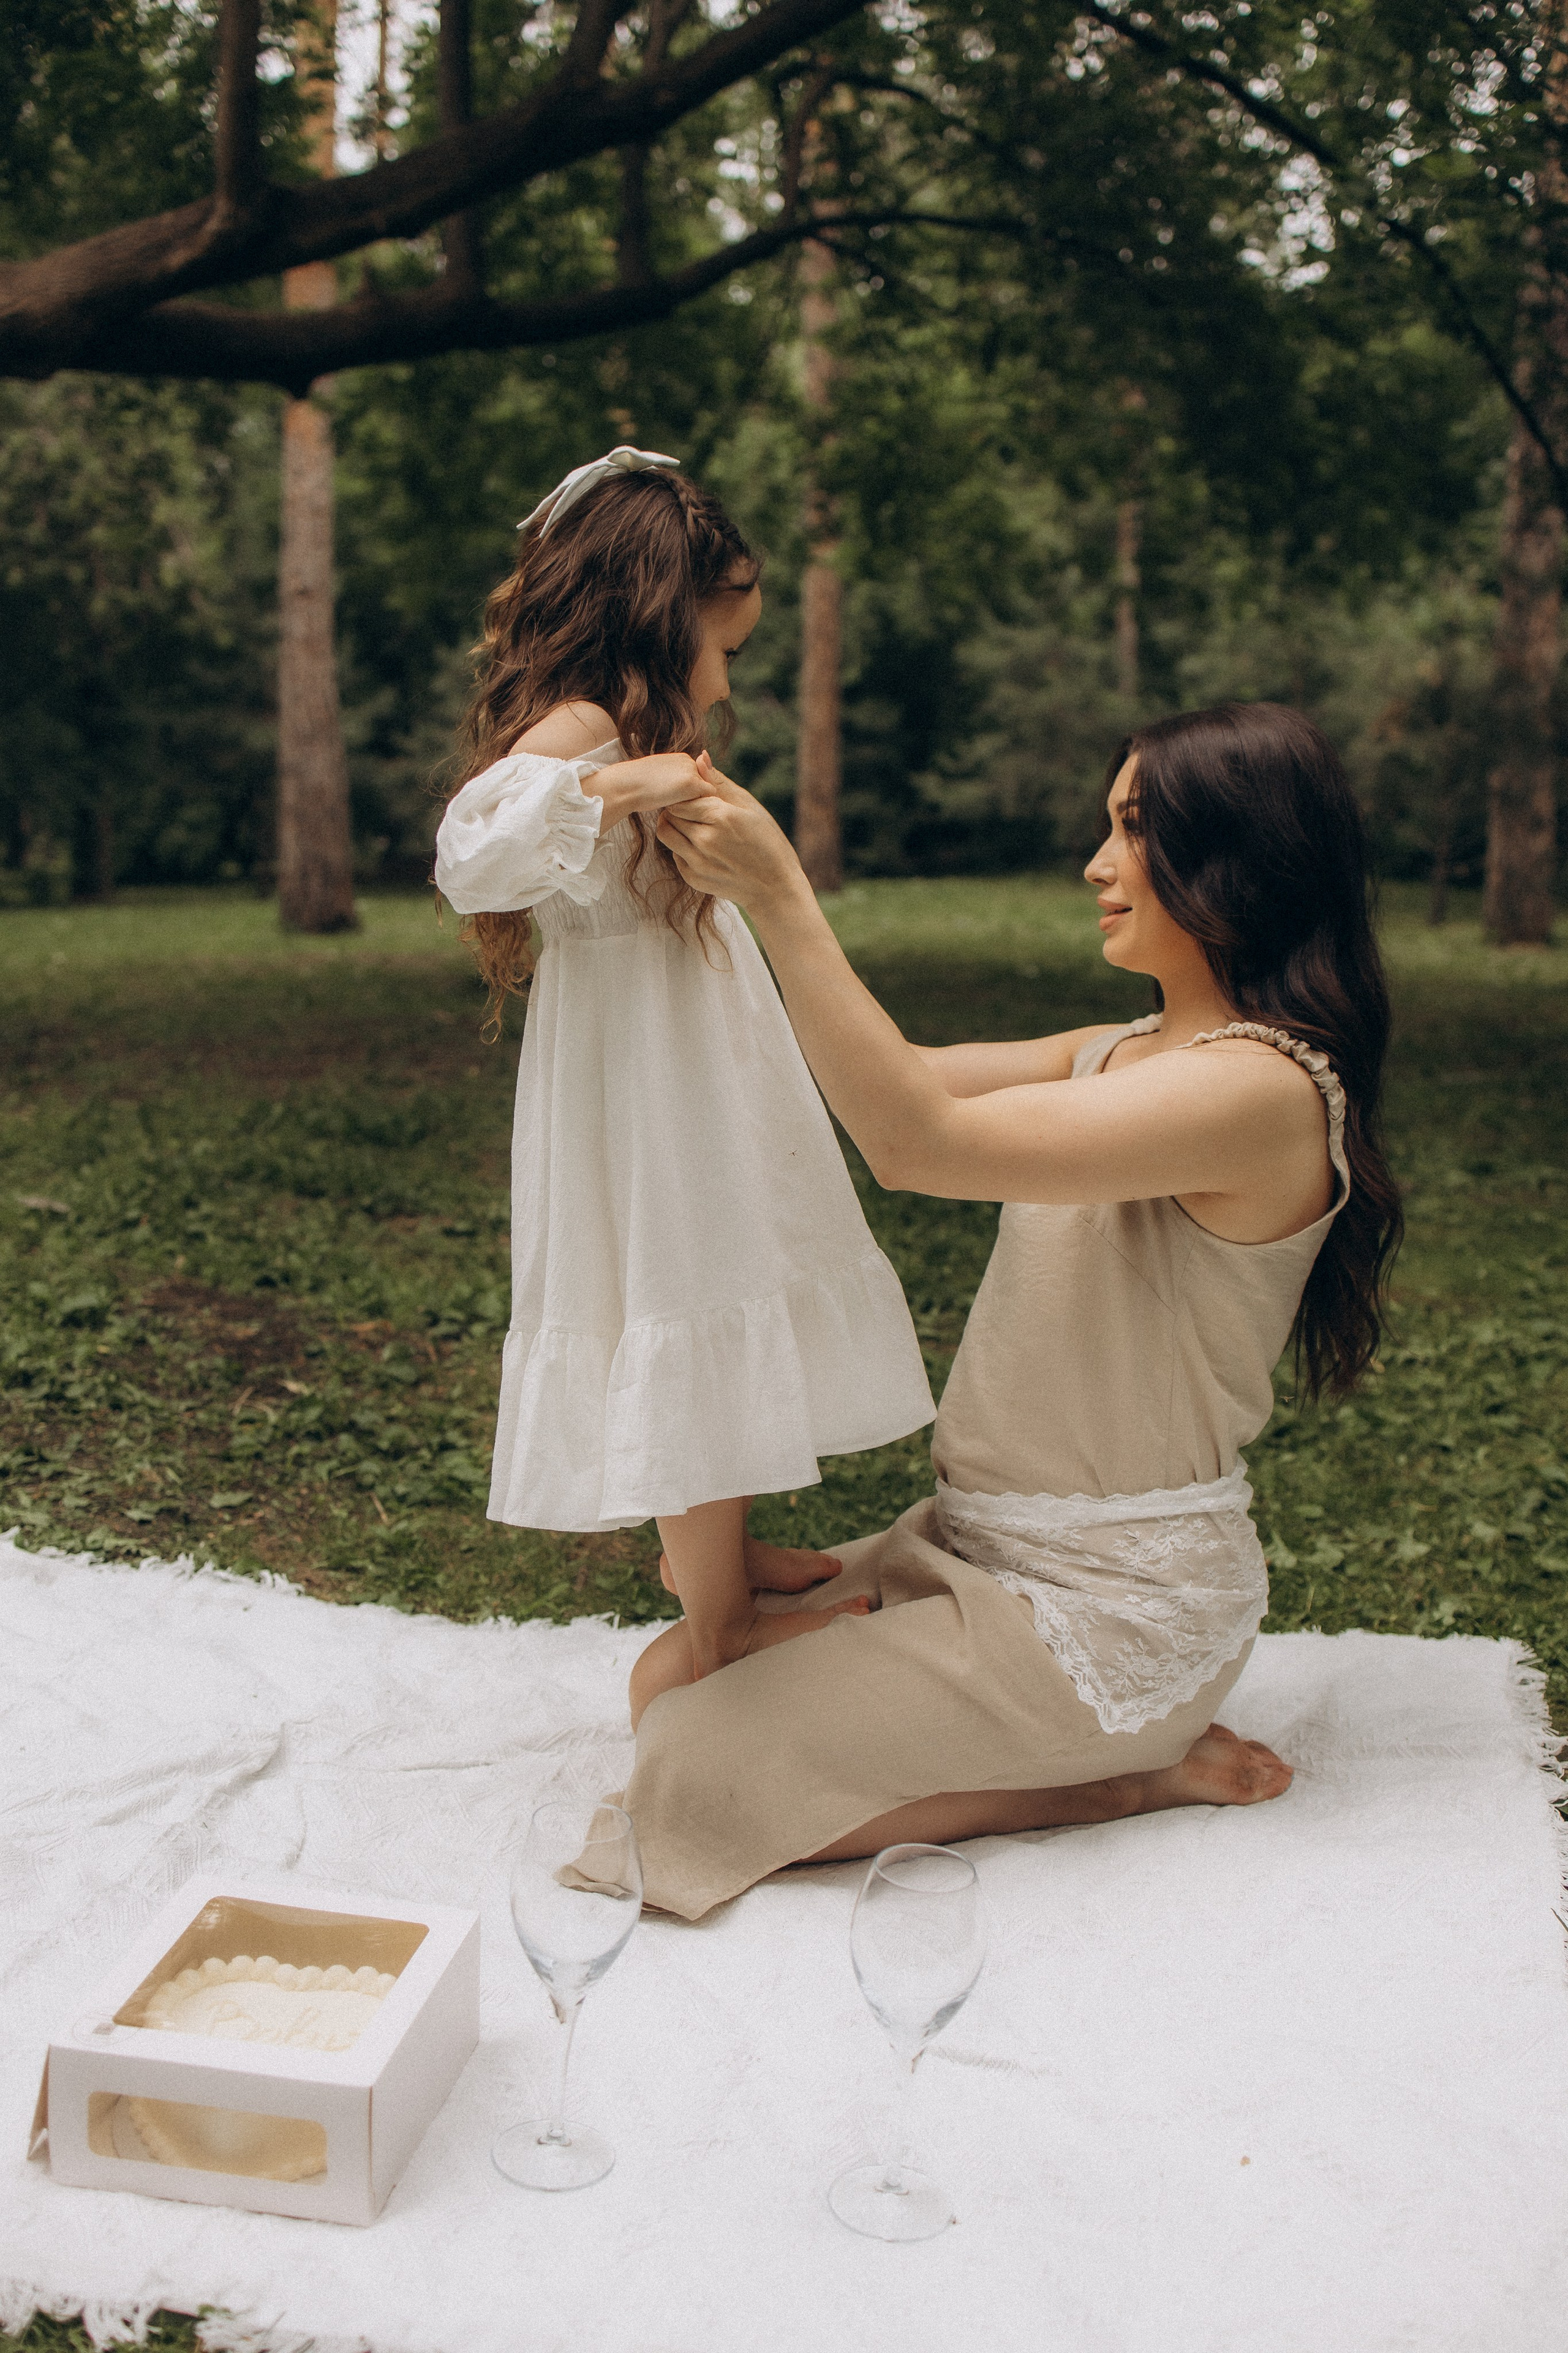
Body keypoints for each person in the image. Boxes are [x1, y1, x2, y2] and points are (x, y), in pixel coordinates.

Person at [620, 700, 1403, 1921]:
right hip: (972, 1547)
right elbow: (875, 1075)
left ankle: (1111, 1782)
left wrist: (783, 896)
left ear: (1238, 860)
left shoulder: (1260, 1093)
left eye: (1133, 829)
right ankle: (1062, 1746)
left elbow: (910, 1140)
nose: (1096, 864)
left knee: (687, 1769)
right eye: (1107, 825)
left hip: (1109, 1610)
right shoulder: (1118, 1051)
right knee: (670, 1678)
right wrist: (669, 958)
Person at [432, 447, 933, 1679]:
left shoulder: (626, 709)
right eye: (724, 641)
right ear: (660, 615)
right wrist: (620, 786)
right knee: (683, 1287)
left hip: (696, 1050)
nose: (726, 671)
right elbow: (471, 849)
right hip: (646, 1074)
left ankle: (718, 1552)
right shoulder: (589, 724)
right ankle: (718, 1624)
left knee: (729, 1271)